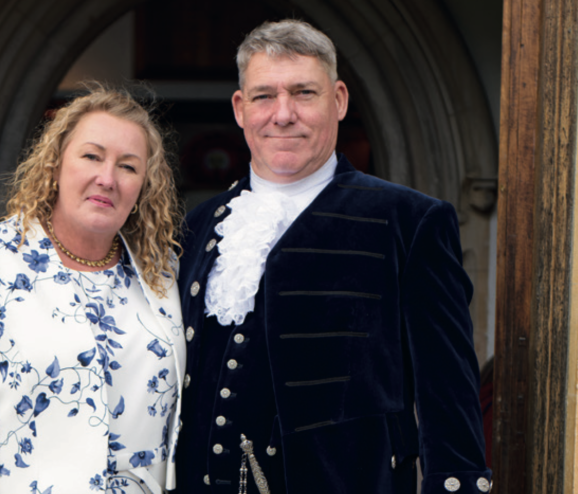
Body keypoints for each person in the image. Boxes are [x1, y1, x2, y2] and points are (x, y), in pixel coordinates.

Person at [175, 19, 492, 494]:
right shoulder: (199, 225)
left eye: (304, 93)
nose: (283, 114)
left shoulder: (408, 221)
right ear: (241, 109)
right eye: (264, 96)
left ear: (339, 100)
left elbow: (447, 391)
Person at [0, 86, 185, 494]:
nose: (107, 178)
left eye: (128, 166)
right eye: (91, 156)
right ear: (55, 163)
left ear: (144, 185)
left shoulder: (161, 272)